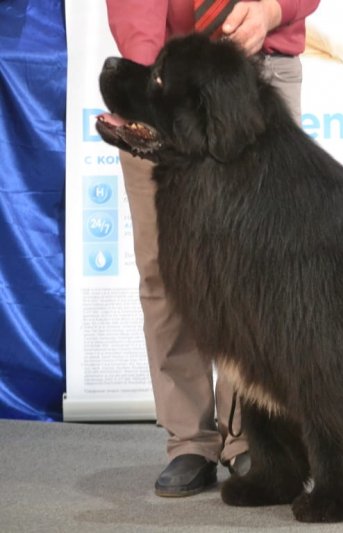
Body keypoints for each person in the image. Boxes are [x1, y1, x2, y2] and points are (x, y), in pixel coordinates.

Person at [104, 0, 320, 497]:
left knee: (260, 272)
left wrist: (271, 10)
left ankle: (251, 438)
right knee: (166, 270)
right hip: (167, 74)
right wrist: (155, 82)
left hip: (261, 73)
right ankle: (189, 442)